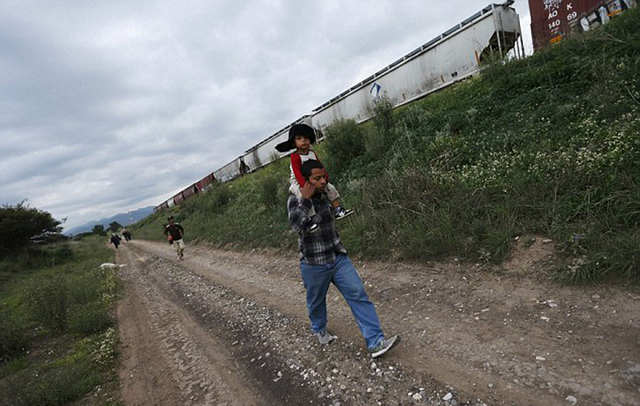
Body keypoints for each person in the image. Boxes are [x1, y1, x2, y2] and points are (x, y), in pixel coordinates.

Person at [287, 159, 400, 358]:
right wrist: (305, 199)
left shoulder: (326, 195)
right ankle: (319, 328)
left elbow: (336, 208)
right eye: (317, 178)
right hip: (313, 263)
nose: (322, 181)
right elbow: (296, 224)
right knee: (316, 301)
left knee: (358, 294)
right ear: (306, 181)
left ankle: (375, 342)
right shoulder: (294, 199)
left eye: (324, 177)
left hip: (337, 256)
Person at [276, 123, 353, 233]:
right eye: (299, 138)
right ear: (294, 142)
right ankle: (310, 220)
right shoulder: (295, 156)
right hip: (299, 181)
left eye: (306, 138)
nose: (303, 141)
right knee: (303, 196)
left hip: (315, 178)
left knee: (330, 188)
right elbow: (297, 173)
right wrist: (304, 186)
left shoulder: (312, 153)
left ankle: (337, 209)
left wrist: (325, 177)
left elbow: (320, 165)